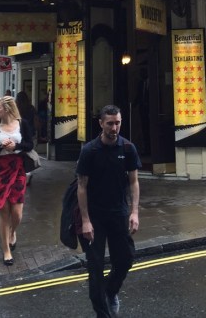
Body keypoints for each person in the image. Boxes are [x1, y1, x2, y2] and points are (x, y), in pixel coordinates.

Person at [77, 104, 141, 317]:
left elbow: (134, 182)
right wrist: (85, 220)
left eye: (118, 123)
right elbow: (82, 186)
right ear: (101, 124)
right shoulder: (89, 151)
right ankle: (102, 313)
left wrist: (134, 212)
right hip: (94, 216)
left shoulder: (128, 148)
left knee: (125, 259)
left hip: (118, 213)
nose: (114, 128)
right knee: (95, 269)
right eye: (110, 123)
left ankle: (111, 291)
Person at [0, 96, 34, 265]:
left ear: (6, 109)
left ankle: (13, 231)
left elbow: (30, 144)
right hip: (0, 170)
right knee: (4, 210)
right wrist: (1, 146)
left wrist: (16, 146)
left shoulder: (22, 124)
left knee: (17, 213)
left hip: (18, 168)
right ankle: (6, 250)